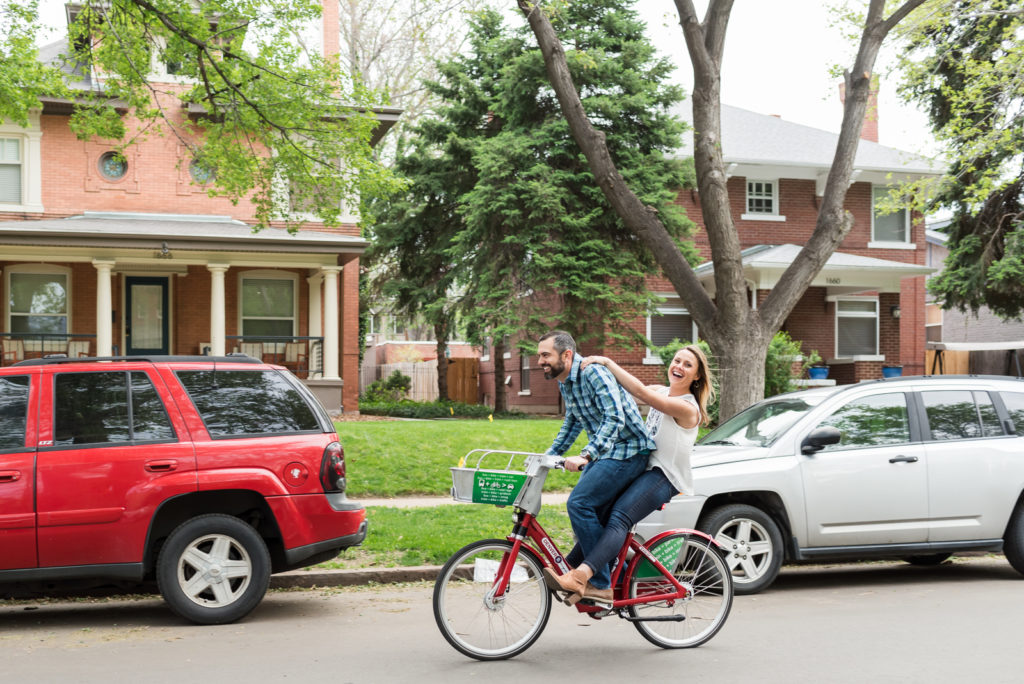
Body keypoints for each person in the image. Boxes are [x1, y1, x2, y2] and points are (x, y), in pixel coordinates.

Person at [543, 344, 715, 604]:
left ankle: (584, 577)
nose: (678, 367)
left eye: (687, 365)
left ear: (697, 376)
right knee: (597, 513)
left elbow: (640, 392)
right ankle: (602, 575)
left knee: (619, 518)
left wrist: (608, 363)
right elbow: (620, 394)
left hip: (664, 476)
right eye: (677, 360)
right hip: (643, 468)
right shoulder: (662, 390)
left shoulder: (687, 408)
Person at [537, 330, 655, 601]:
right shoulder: (565, 380)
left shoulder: (593, 374)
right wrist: (549, 455)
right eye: (540, 355)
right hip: (607, 453)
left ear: (566, 355)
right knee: (587, 510)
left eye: (546, 355)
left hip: (629, 451)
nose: (541, 361)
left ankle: (599, 584)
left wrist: (586, 456)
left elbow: (615, 419)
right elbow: (573, 422)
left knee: (579, 504)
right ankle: (622, 575)